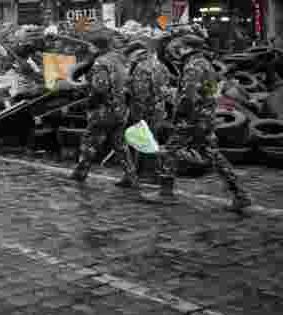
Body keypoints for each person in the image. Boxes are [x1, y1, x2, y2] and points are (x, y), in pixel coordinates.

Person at [144, 35, 252, 211]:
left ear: (186, 47)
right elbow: (208, 90)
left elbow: (188, 97)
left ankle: (165, 193)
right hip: (205, 116)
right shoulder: (206, 64)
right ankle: (240, 194)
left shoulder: (192, 66)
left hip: (192, 118)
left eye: (179, 46)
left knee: (170, 150)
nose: (176, 49)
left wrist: (176, 109)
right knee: (212, 154)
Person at [72, 31, 136, 186]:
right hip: (121, 108)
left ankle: (81, 172)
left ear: (95, 46)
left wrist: (89, 103)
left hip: (104, 110)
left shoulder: (101, 62)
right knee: (119, 143)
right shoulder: (121, 59)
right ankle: (130, 174)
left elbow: (100, 88)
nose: (89, 48)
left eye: (90, 45)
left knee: (89, 141)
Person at [124, 38, 174, 180]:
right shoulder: (161, 66)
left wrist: (128, 91)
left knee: (143, 140)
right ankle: (152, 172)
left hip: (144, 109)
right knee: (152, 138)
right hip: (158, 108)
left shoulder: (141, 68)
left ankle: (148, 173)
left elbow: (141, 93)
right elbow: (165, 88)